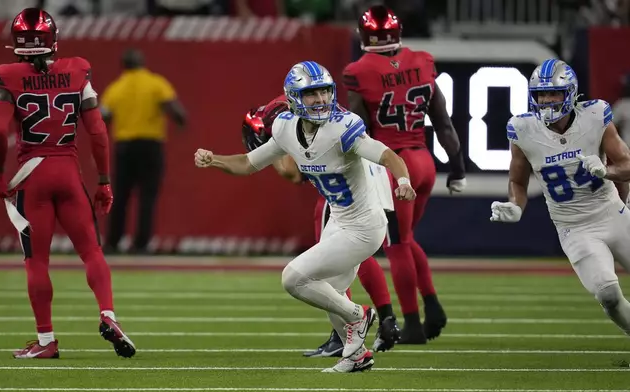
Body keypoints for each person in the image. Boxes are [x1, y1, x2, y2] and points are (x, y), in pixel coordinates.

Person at [195, 61, 415, 372]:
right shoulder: (285, 127)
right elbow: (248, 163)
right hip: (339, 218)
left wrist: (403, 181)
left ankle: (358, 316)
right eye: (311, 94)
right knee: (328, 291)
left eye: (325, 91)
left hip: (364, 225)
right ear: (294, 97)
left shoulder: (343, 127)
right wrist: (213, 159)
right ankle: (357, 356)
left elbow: (388, 156)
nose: (321, 100)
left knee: (294, 278)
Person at [0, 8, 135, 358]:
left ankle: (46, 341)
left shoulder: (7, 75)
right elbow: (98, 132)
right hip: (68, 171)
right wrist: (104, 181)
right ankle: (108, 314)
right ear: (53, 39)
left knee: (37, 262)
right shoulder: (77, 70)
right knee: (91, 251)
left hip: (32, 173)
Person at [342, 5, 466, 343]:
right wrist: (457, 168)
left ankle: (412, 324)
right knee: (407, 240)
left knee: (396, 245)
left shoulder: (359, 70)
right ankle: (433, 305)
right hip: (423, 160)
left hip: (393, 166)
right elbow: (443, 121)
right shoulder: (422, 60)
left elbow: (355, 125)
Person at [241, 96, 401, 357]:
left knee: (335, 255)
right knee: (352, 252)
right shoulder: (300, 108)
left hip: (351, 184)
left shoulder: (286, 119)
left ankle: (351, 328)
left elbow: (293, 173)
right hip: (370, 173)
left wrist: (271, 154)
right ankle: (385, 319)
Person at [491, 59, 630, 338]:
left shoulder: (595, 116)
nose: (547, 100)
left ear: (570, 92)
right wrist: (516, 206)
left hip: (610, 212)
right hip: (574, 228)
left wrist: (607, 171)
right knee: (609, 295)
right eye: (541, 94)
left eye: (553, 93)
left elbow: (627, 165)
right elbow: (518, 180)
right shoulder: (523, 129)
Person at [100, 48, 186, 254]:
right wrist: (181, 122)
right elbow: (175, 110)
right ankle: (141, 243)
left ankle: (112, 242)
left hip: (124, 146)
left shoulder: (115, 88)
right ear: (142, 63)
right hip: (150, 145)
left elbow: (103, 118)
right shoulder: (156, 83)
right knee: (147, 196)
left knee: (120, 196)